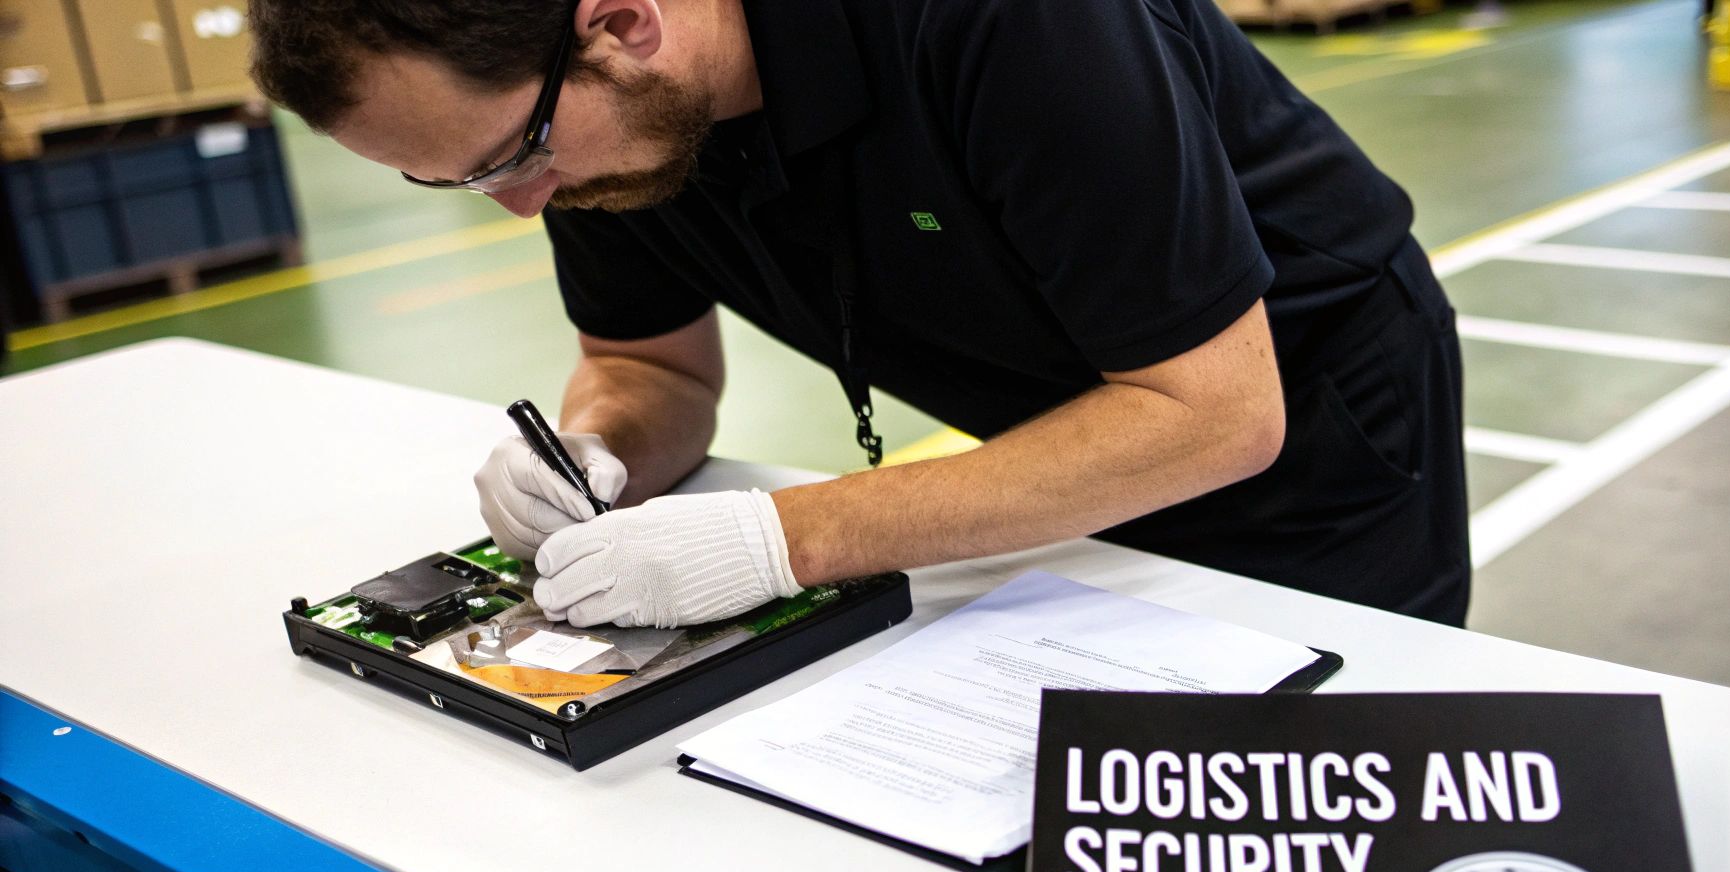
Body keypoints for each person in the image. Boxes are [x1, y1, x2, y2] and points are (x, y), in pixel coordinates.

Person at [247, 0, 1470, 630]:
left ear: (620, 24)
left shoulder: (1003, 23)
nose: (521, 205)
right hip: (1054, 443)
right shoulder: (592, 131)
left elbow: (1211, 415)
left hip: (1302, 433)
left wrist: (781, 538)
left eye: (508, 159)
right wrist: (597, 446)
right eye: (457, 181)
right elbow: (649, 365)